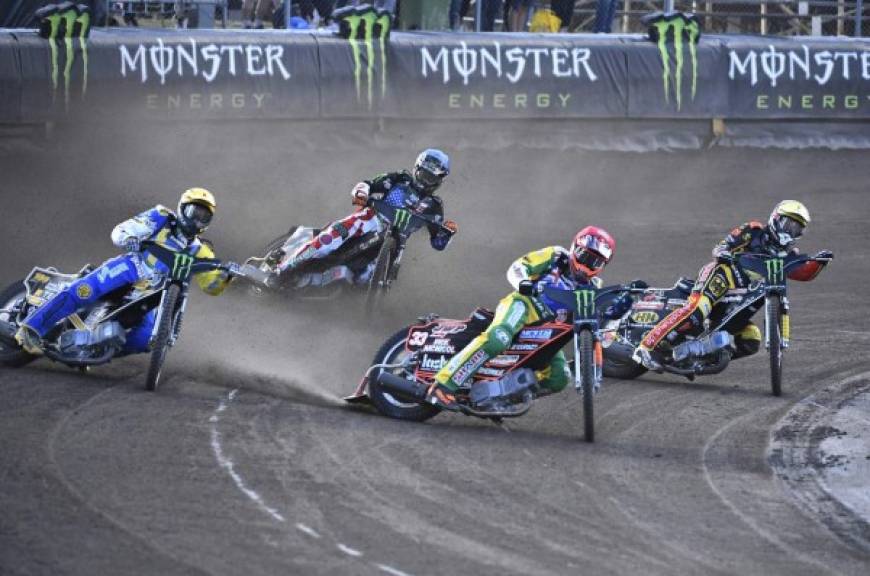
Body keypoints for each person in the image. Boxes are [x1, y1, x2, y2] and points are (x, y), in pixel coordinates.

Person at [15, 188, 234, 355]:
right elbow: (122, 230)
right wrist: (129, 239)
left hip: (157, 292)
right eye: (194, 211)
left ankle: (95, 348)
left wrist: (227, 277)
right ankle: (31, 329)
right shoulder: (161, 217)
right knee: (85, 290)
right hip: (133, 266)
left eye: (204, 216)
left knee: (147, 338)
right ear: (182, 208)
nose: (197, 219)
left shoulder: (202, 250)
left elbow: (211, 286)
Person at [426, 226, 619, 410]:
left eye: (595, 262)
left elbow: (597, 316)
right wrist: (524, 283)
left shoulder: (594, 286)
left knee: (559, 377)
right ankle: (443, 384)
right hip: (524, 305)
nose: (586, 266)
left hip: (549, 329)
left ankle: (497, 396)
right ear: (575, 248)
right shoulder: (556, 255)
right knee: (498, 339)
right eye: (585, 256)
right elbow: (519, 266)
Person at [633, 200, 817, 371]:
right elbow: (721, 246)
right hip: (723, 273)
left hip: (742, 295)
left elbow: (803, 273)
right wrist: (724, 253)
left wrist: (820, 261)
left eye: (797, 229)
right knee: (698, 309)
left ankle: (700, 358)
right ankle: (645, 347)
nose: (791, 231)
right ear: (776, 219)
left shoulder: (789, 254)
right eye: (789, 224)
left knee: (751, 338)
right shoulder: (753, 230)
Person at [268, 149, 458, 288]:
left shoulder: (435, 206)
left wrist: (447, 233)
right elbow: (368, 184)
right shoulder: (400, 179)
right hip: (371, 219)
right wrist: (362, 194)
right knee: (330, 239)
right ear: (417, 169)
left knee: (362, 280)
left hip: (397, 241)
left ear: (440, 180)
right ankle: (283, 269)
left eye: (432, 178)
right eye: (424, 175)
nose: (426, 181)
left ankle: (318, 287)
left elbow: (438, 243)